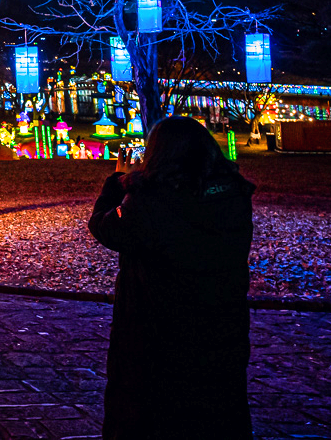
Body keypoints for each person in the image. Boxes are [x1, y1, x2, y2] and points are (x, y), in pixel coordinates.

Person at [88, 116, 255, 439]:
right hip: (222, 324)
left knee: (152, 414)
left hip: (157, 331)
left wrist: (115, 183)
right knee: (220, 406)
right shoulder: (234, 195)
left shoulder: (151, 202)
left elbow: (106, 228)